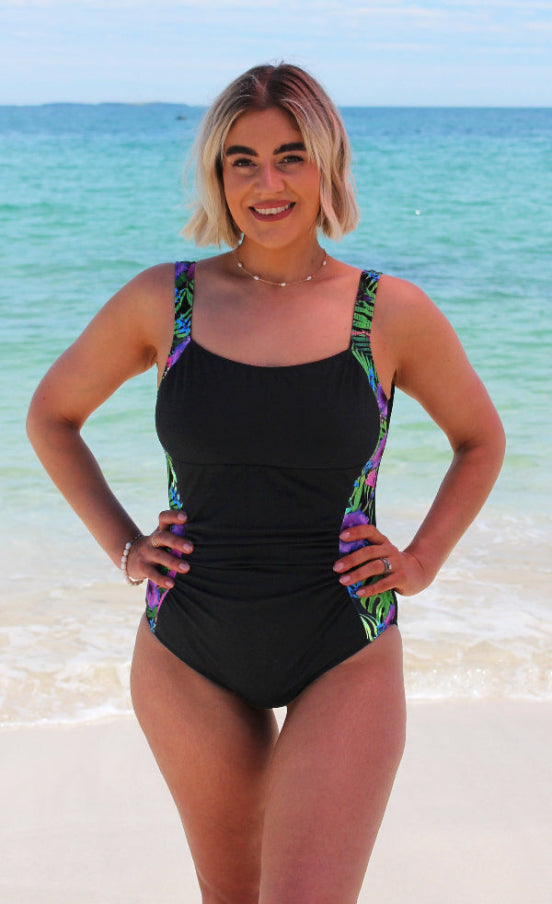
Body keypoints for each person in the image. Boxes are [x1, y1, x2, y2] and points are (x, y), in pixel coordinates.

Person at [27, 63, 505, 904]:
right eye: (241, 160)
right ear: (217, 174)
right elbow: (52, 417)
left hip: (342, 643)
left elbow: (479, 439)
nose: (267, 182)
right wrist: (126, 546)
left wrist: (422, 561)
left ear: (328, 165)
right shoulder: (166, 301)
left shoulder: (385, 312)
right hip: (190, 648)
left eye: (291, 156)